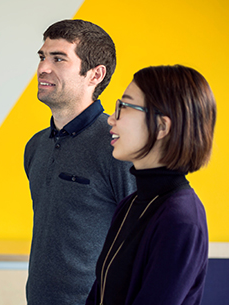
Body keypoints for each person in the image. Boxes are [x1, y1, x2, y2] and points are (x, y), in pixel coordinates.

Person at [24, 19, 136, 304]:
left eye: (58, 59)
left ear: (95, 74)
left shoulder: (118, 146)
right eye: (42, 57)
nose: (42, 69)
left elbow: (141, 245)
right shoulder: (35, 147)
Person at [86, 65, 214, 305]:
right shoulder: (130, 204)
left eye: (123, 107)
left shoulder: (181, 220)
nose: (111, 119)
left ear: (163, 127)